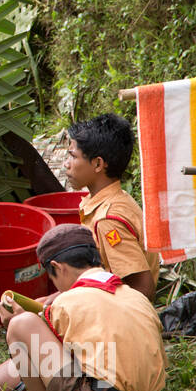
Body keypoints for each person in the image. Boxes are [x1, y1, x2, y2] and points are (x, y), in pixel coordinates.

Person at [0, 224, 166, 391]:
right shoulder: (136, 297)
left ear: (57, 267)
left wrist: (14, 323)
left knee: (22, 324)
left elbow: (44, 351)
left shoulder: (68, 301)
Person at [63, 113, 160, 301]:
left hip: (120, 316)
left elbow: (143, 287)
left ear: (98, 164)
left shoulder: (108, 219)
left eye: (73, 156)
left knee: (28, 325)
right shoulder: (115, 199)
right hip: (105, 299)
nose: (66, 164)